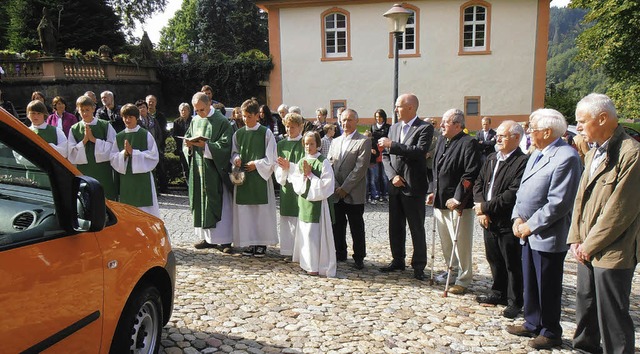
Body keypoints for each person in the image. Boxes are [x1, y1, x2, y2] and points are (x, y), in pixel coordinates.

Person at [568, 93, 640, 354]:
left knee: (612, 314)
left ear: (602, 118)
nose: (578, 128)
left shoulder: (631, 153)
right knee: (586, 305)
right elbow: (580, 199)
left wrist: (589, 243)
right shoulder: (594, 151)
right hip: (586, 247)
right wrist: (576, 238)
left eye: (581, 121)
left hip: (613, 250)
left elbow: (621, 209)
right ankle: (584, 348)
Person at [507, 108, 582, 350]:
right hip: (526, 232)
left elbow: (559, 202)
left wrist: (530, 225)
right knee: (530, 280)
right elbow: (523, 190)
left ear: (548, 132)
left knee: (547, 285)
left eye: (532, 128)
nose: (528, 132)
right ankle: (532, 322)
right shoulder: (537, 154)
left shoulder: (566, 157)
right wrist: (518, 217)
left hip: (547, 234)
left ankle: (550, 331)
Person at [472, 120, 528, 319]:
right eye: (499, 135)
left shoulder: (522, 161)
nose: (498, 138)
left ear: (516, 137)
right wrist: (481, 209)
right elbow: (479, 183)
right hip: (487, 218)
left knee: (511, 262)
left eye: (503, 136)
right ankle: (498, 292)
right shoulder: (491, 157)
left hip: (506, 219)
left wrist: (486, 207)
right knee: (493, 257)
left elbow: (512, 193)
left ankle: (515, 300)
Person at [379, 94, 434, 280]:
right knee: (395, 226)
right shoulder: (394, 128)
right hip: (395, 186)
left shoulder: (425, 128)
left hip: (413, 186)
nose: (395, 109)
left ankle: (419, 265)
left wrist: (391, 144)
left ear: (410, 107)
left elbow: (419, 152)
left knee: (416, 227)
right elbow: (385, 157)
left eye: (398, 106)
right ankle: (397, 260)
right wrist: (392, 176)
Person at [426, 109, 479, 292]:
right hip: (440, 200)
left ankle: (464, 279)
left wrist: (457, 198)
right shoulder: (442, 140)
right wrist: (433, 190)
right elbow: (435, 169)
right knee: (446, 241)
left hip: (459, 204)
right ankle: (451, 270)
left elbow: (470, 174)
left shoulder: (469, 143)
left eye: (445, 123)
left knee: (461, 242)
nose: (441, 126)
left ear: (457, 125)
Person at [185, 92, 233, 252]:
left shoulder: (222, 122)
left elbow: (226, 146)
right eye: (196, 110)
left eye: (202, 110)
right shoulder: (195, 120)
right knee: (201, 201)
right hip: (199, 169)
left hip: (215, 171)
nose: (199, 113)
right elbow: (188, 137)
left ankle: (225, 240)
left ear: (209, 103)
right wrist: (188, 145)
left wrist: (206, 146)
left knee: (221, 204)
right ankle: (208, 238)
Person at [231, 98, 278, 257]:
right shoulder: (238, 134)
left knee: (260, 212)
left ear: (257, 116)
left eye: (248, 116)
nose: (245, 119)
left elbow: (271, 158)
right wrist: (236, 158)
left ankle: (261, 244)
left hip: (260, 179)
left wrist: (256, 164)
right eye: (243, 116)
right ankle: (250, 242)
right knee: (246, 213)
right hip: (244, 179)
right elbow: (234, 152)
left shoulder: (266, 133)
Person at [327, 108, 371, 270]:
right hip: (336, 191)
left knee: (356, 226)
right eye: (343, 120)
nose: (346, 123)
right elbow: (329, 165)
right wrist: (336, 186)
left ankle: (359, 256)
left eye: (350, 120)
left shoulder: (363, 141)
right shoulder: (335, 141)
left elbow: (360, 168)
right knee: (337, 225)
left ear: (356, 121)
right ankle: (340, 252)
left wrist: (345, 188)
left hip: (354, 192)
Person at [291, 131, 337, 277]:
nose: (308, 147)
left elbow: (327, 185)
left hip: (318, 204)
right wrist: (304, 177)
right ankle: (306, 263)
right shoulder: (302, 161)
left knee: (313, 234)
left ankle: (316, 265)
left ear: (317, 144)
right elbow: (296, 182)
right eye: (306, 144)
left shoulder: (323, 161)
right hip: (304, 202)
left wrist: (310, 175)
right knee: (305, 233)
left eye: (311, 144)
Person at [110, 104, 160, 217]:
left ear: (136, 118)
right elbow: (113, 158)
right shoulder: (119, 136)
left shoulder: (145, 134)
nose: (127, 120)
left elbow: (153, 156)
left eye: (130, 117)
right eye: (125, 117)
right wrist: (124, 154)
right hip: (126, 180)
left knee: (146, 212)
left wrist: (134, 153)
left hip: (143, 179)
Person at [68, 95, 117, 200]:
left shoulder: (105, 125)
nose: (85, 113)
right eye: (82, 110)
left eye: (87, 110)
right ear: (78, 110)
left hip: (103, 169)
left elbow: (113, 147)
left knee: (105, 196)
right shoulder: (74, 128)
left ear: (93, 109)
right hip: (84, 169)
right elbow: (71, 152)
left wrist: (94, 140)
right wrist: (84, 141)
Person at [274, 113, 306, 259]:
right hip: (286, 185)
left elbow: (305, 165)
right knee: (287, 217)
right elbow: (276, 165)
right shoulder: (281, 144)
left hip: (300, 187)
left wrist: (290, 167)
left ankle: (300, 250)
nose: (289, 130)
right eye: (287, 126)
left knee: (299, 218)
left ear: (300, 127)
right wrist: (283, 169)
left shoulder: (304, 143)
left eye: (293, 127)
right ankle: (287, 250)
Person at [144, 96, 169, 194]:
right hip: (147, 147)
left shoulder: (160, 116)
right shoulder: (142, 117)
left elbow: (162, 131)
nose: (151, 103)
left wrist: (159, 143)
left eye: (152, 101)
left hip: (158, 145)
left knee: (161, 167)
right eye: (149, 102)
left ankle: (164, 187)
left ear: (156, 102)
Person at [371, 109, 390, 202]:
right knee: (376, 176)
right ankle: (377, 194)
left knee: (384, 176)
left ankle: (385, 193)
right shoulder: (373, 127)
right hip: (375, 153)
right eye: (377, 117)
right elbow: (371, 139)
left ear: (383, 117)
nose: (378, 119)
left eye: (380, 117)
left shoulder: (388, 127)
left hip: (385, 152)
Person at [171, 103, 192, 179]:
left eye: (185, 110)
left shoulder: (193, 121)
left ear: (189, 111)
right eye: (181, 110)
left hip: (191, 146)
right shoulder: (176, 122)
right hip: (181, 147)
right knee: (185, 167)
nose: (183, 112)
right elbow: (174, 134)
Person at [363, 130, 380, 204]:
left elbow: (378, 154)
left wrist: (375, 152)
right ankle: (366, 198)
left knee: (372, 181)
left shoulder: (373, 144)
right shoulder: (362, 144)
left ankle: (373, 197)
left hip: (372, 164)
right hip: (365, 165)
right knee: (365, 182)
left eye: (368, 137)